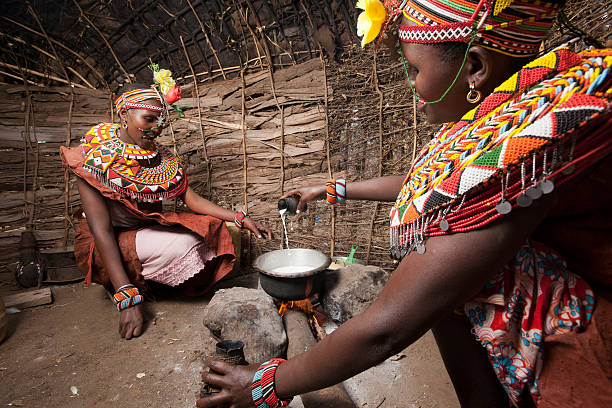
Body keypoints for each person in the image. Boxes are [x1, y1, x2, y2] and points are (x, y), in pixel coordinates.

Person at [196, 0, 611, 407]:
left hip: (577, 353)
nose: (411, 83)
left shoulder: (538, 142)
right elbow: (442, 184)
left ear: (475, 68)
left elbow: (387, 328)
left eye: (414, 69)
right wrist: (332, 190)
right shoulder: (520, 106)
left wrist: (265, 383)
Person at [61, 73, 273, 340]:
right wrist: (127, 299)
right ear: (124, 115)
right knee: (185, 246)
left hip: (144, 231)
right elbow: (101, 230)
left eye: (160, 121)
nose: (156, 128)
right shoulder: (93, 157)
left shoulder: (158, 155)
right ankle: (123, 282)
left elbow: (192, 199)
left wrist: (240, 217)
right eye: (148, 119)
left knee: (213, 229)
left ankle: (145, 280)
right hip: (105, 242)